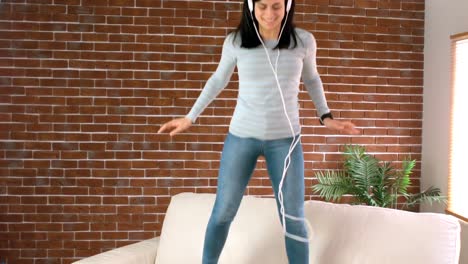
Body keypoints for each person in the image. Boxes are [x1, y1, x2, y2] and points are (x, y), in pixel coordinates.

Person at [158, 0, 359, 263]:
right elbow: (218, 79)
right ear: (251, 6)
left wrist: (326, 116)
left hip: (286, 142)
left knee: (293, 218)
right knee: (223, 211)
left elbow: (311, 78)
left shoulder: (304, 41)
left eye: (277, 6)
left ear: (287, 6)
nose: (269, 14)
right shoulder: (236, 41)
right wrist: (190, 116)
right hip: (241, 138)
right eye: (263, 6)